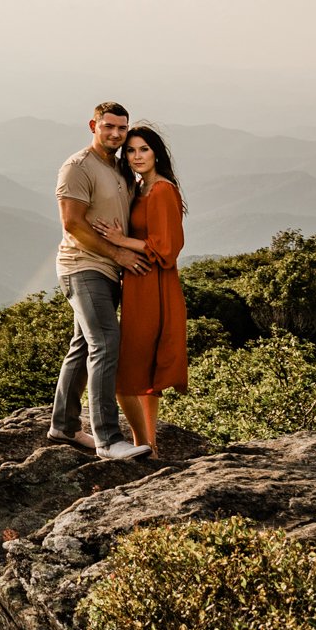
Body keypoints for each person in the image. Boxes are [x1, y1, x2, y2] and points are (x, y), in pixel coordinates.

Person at [47, 101, 151, 460]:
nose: (116, 134)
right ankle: (107, 439)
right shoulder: (77, 167)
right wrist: (118, 253)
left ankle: (63, 425)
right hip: (82, 266)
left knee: (83, 344)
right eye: (108, 126)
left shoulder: (120, 168)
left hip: (108, 270)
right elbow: (72, 224)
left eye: (122, 128)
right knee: (106, 342)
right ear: (93, 125)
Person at [98, 123, 189, 456]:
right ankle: (149, 444)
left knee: (130, 369)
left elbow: (167, 247)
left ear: (156, 153)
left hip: (155, 284)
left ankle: (141, 443)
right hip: (138, 281)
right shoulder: (140, 187)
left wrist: (122, 241)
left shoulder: (162, 190)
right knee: (143, 367)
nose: (137, 156)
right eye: (131, 150)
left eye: (144, 149)